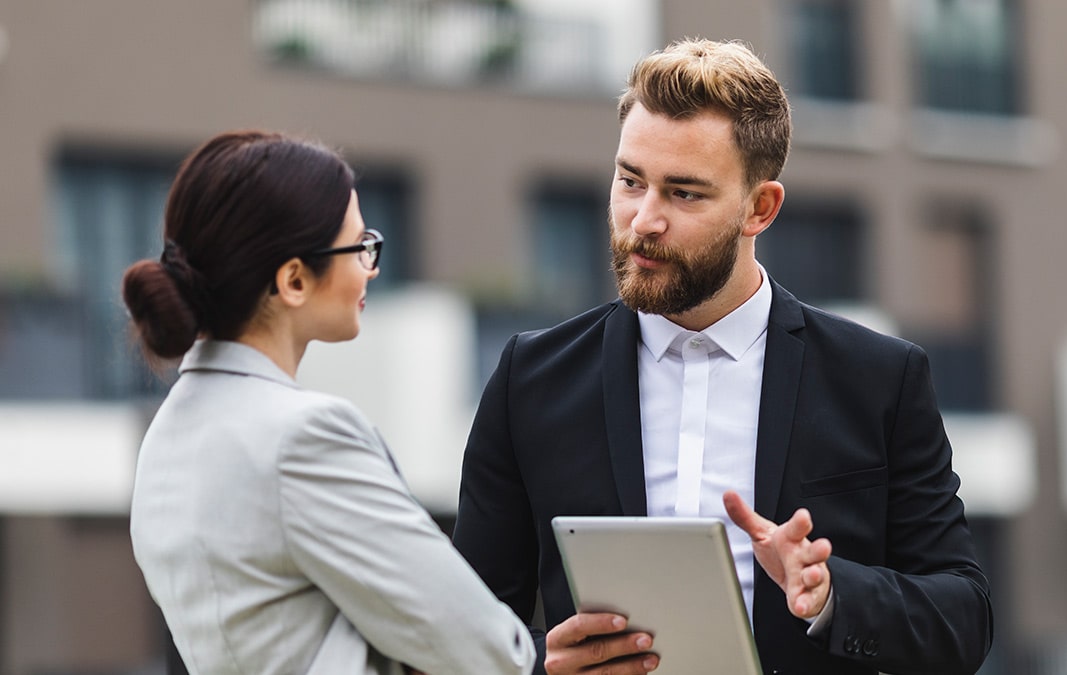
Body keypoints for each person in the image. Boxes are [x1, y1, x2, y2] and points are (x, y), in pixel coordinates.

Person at [452, 39, 993, 675]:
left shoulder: (878, 379)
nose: (643, 219)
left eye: (683, 194)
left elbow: (965, 617)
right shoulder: (531, 380)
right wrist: (545, 665)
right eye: (630, 181)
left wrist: (832, 594)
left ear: (759, 208)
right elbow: (465, 628)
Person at [123, 130, 535, 675]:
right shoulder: (303, 436)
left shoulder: (166, 435)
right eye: (359, 245)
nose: (372, 266)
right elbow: (486, 649)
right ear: (293, 279)